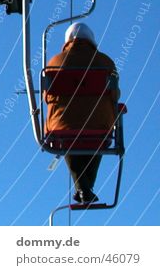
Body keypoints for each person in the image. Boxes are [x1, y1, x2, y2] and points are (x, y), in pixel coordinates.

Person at [44, 22, 120, 204]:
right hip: (99, 126)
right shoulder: (105, 62)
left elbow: (47, 95)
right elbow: (115, 94)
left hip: (63, 127)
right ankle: (84, 188)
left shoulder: (55, 62)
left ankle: (83, 189)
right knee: (96, 139)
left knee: (69, 138)